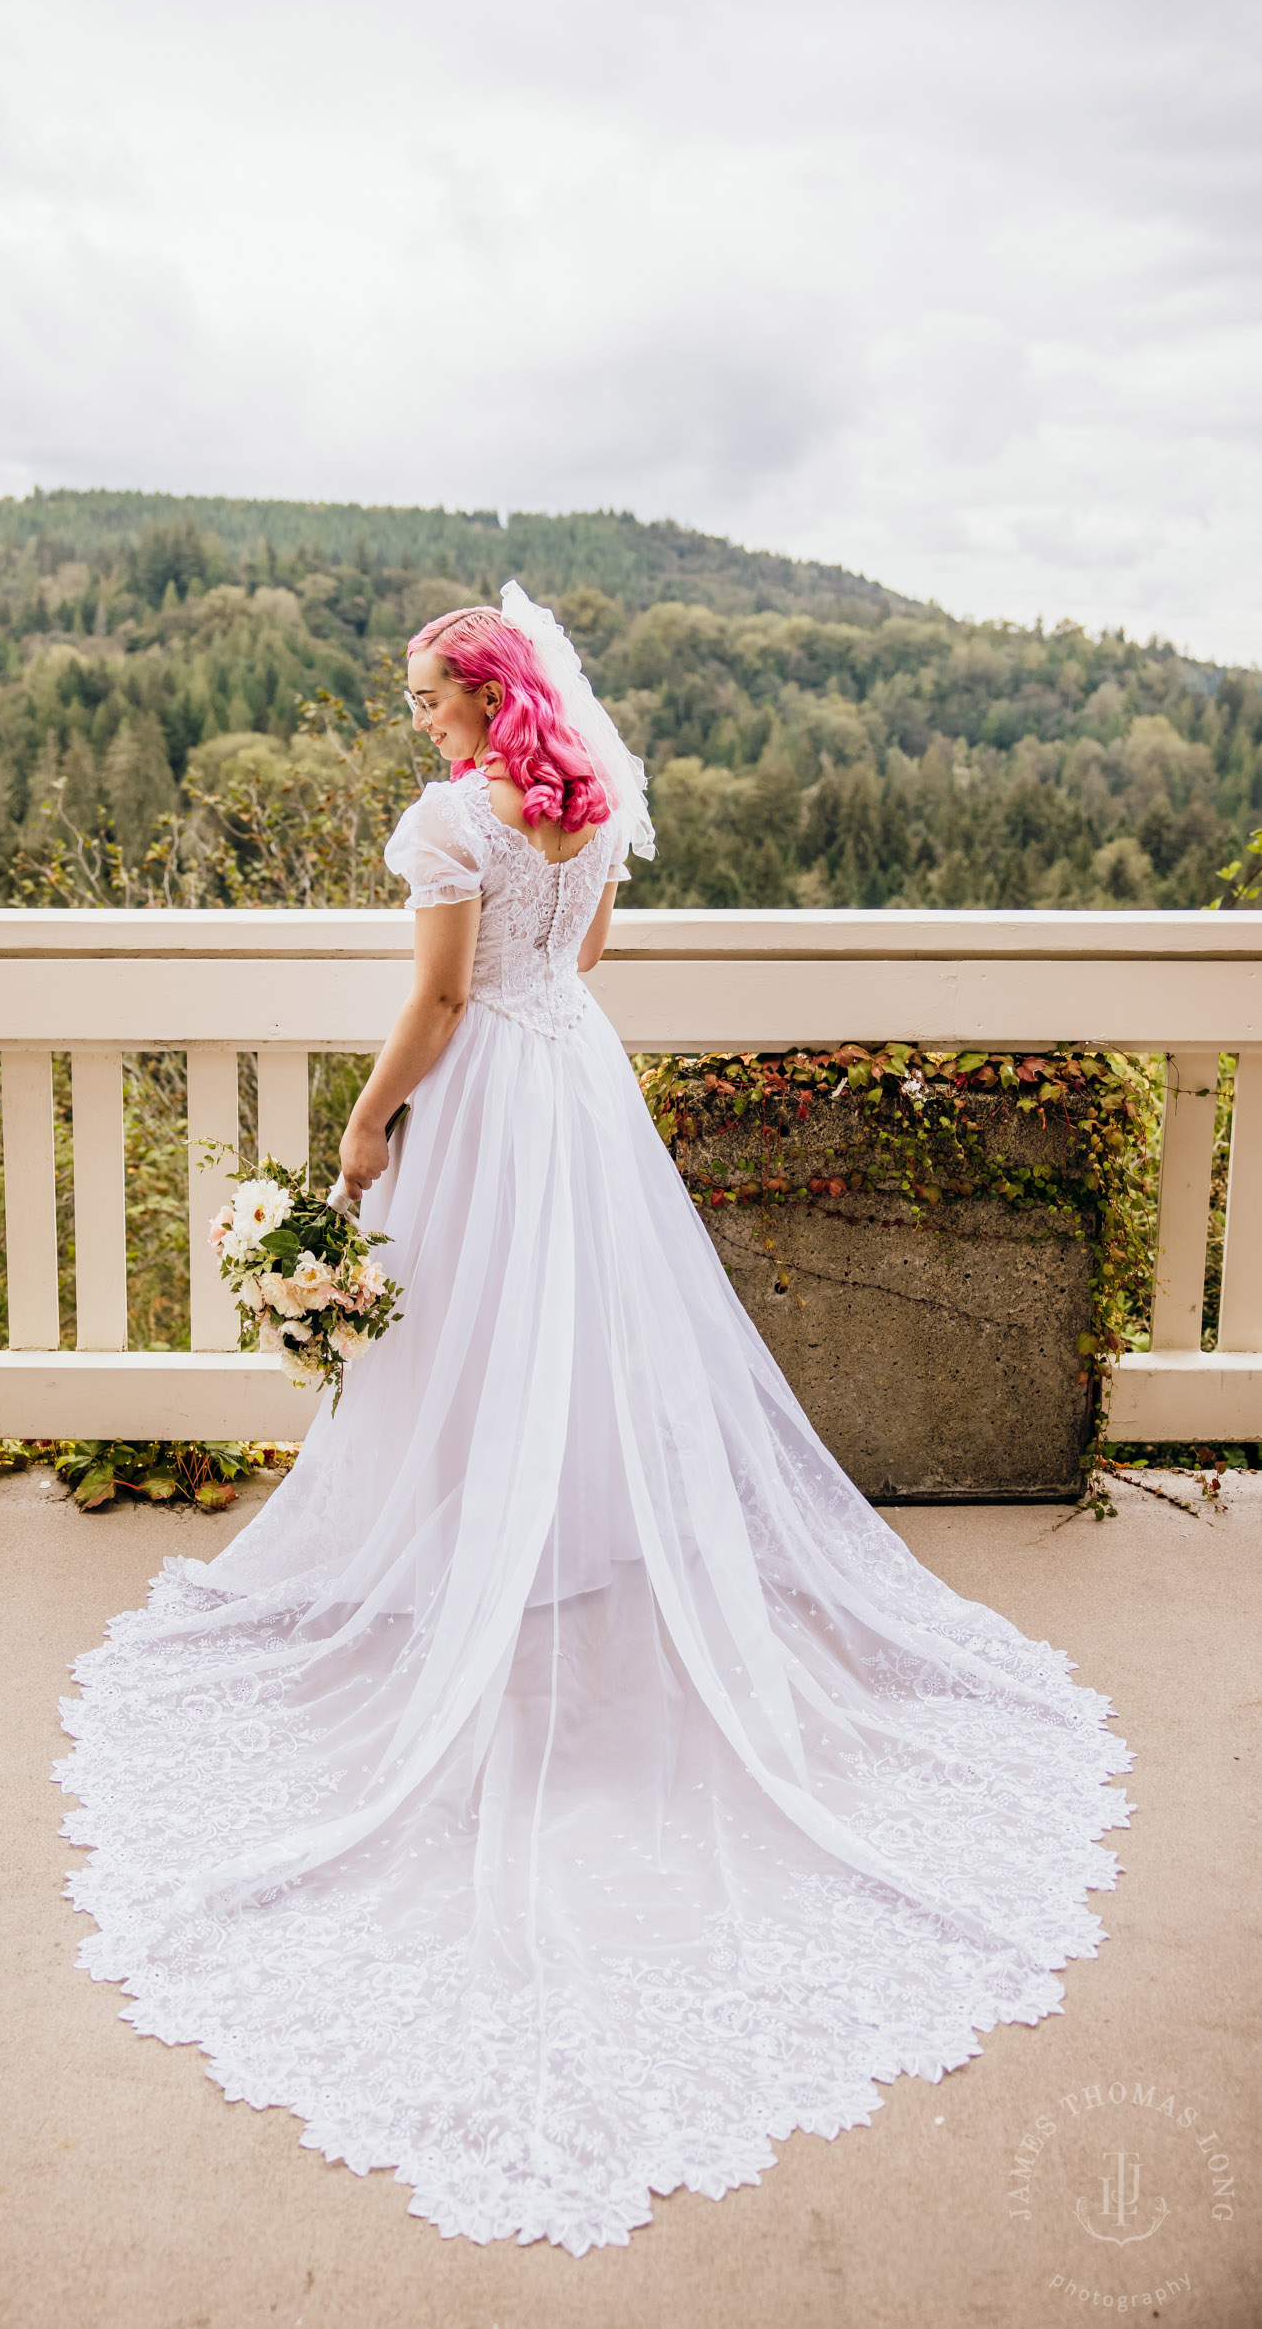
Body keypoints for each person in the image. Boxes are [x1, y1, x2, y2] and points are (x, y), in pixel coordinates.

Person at [57, 583, 1131, 2254]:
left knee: (473, 1330)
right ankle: (557, 1548)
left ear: (487, 697)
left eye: (429, 694)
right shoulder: (595, 806)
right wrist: (537, 987)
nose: (418, 718)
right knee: (586, 1333)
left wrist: (358, 1135)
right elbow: (586, 957)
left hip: (488, 1092)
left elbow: (437, 1003)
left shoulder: (447, 823)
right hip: (583, 1084)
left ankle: (479, 1558)